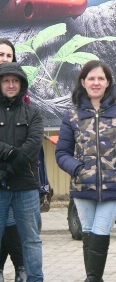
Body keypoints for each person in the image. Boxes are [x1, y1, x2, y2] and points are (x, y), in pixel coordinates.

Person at [55, 60, 116, 282]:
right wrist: (77, 169)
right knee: (88, 232)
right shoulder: (72, 116)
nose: (96, 82)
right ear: (83, 82)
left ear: (108, 83)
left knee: (100, 230)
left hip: (114, 186)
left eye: (101, 78)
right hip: (82, 186)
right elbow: (62, 153)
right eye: (91, 78)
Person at [0, 62, 44, 281]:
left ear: (22, 84)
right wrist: (11, 155)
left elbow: (34, 144)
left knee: (32, 240)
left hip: (26, 187)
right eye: (6, 80)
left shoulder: (33, 113)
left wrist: (7, 166)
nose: (10, 85)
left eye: (15, 81)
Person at [0, 38, 26, 282]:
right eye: (0, 54)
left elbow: (31, 135)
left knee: (10, 222)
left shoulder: (20, 92)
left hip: (17, 171)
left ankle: (20, 268)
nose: (4, 59)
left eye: (8, 55)